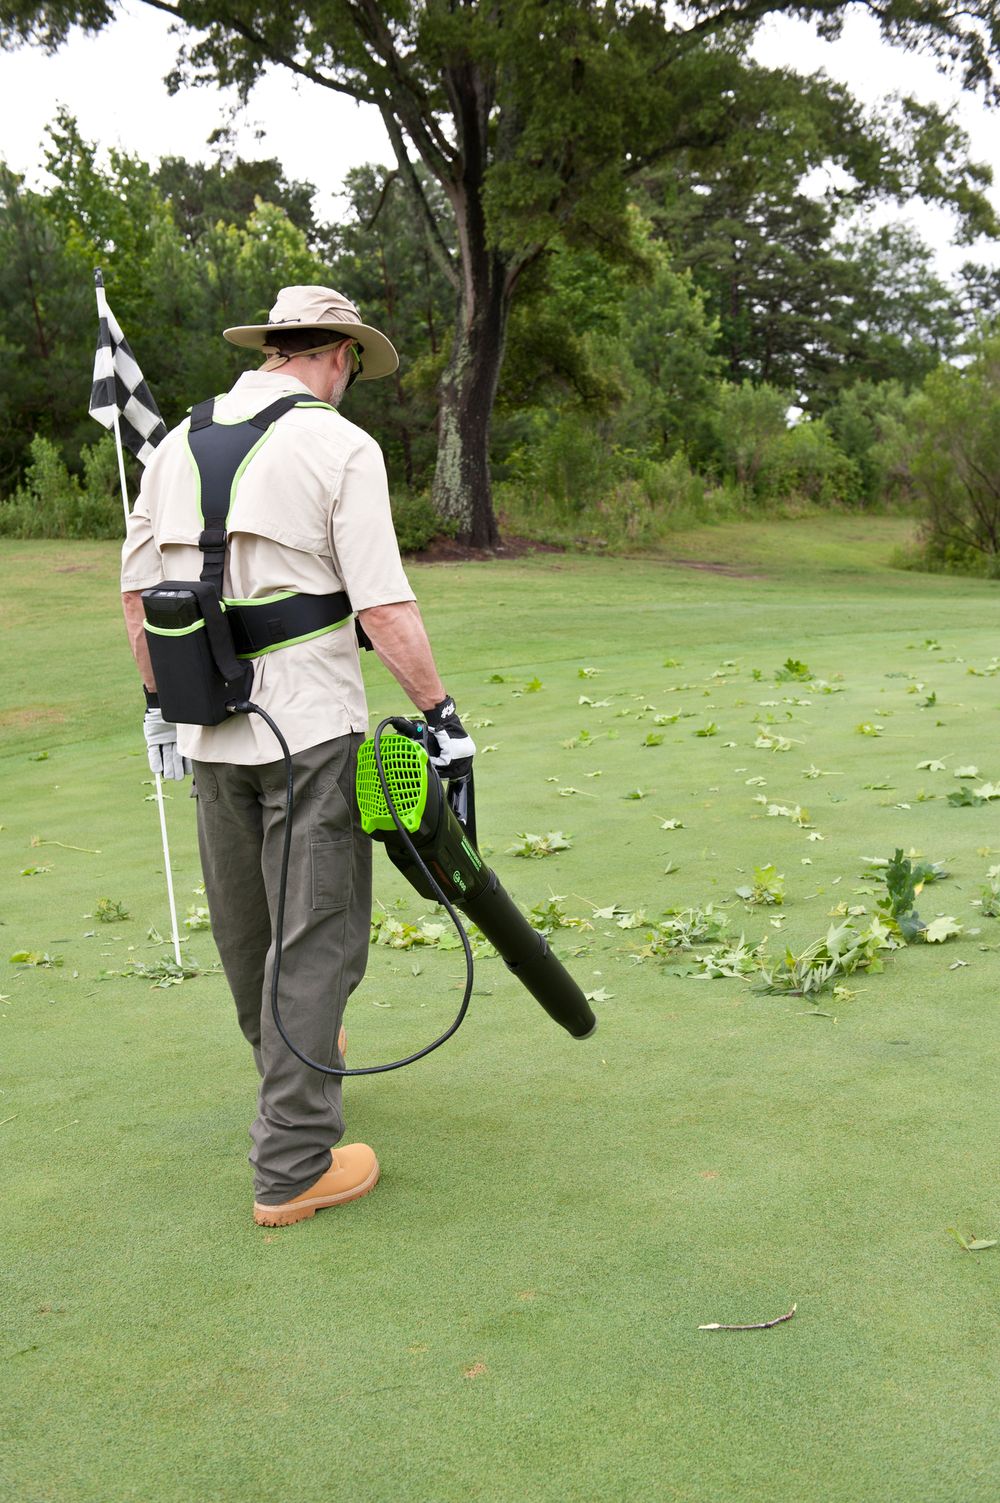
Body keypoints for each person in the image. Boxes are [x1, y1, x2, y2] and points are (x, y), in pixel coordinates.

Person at [120, 286, 475, 1228]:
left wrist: (158, 707)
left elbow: (138, 598)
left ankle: (298, 1067)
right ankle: (291, 1164)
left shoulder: (174, 443)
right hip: (309, 727)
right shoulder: (339, 445)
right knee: (316, 930)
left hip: (206, 727)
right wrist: (440, 714)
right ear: (339, 355)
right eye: (353, 363)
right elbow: (382, 606)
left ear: (275, 347)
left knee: (247, 926)